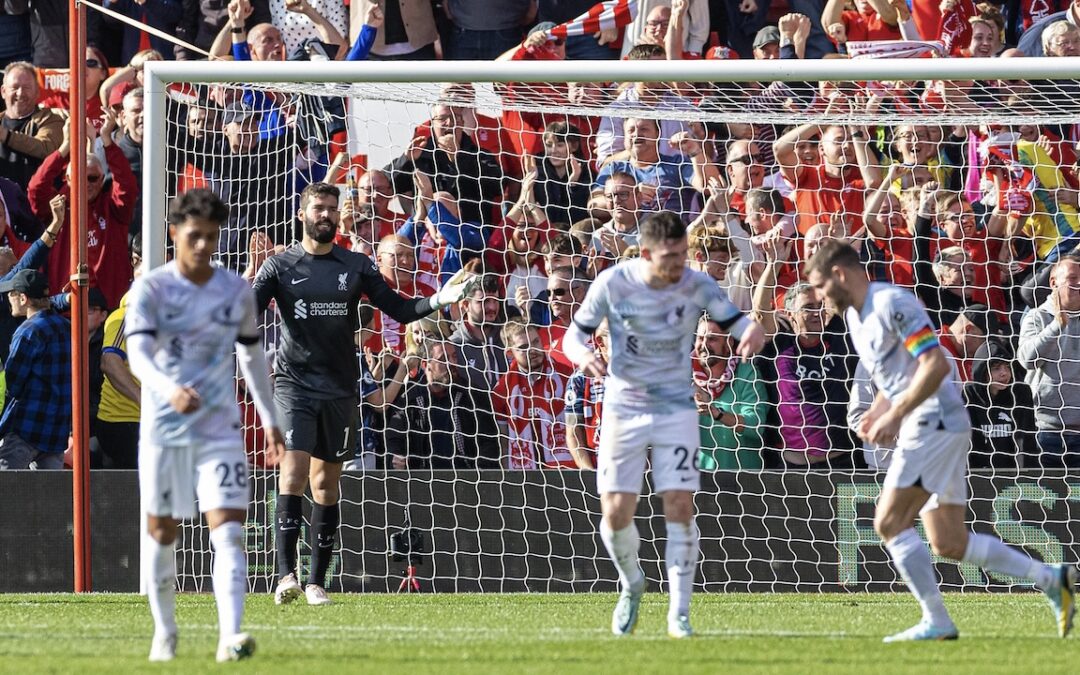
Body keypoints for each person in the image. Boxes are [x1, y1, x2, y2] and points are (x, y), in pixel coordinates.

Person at [805, 239, 1077, 642]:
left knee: (889, 521)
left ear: (840, 275)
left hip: (932, 422)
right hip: (936, 426)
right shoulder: (855, 318)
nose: (821, 298)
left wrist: (896, 415)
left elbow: (934, 364)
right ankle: (1051, 578)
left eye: (820, 287)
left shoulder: (891, 304)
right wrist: (880, 410)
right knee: (947, 541)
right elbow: (895, 374)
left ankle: (937, 620)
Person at [252, 182, 477, 606]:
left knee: (325, 485)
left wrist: (440, 299)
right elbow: (244, 312)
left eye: (332, 209)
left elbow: (399, 309)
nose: (326, 215)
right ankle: (285, 576)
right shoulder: (280, 266)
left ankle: (316, 582)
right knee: (294, 473)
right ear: (303, 213)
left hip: (341, 388)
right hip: (294, 384)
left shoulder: (356, 265)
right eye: (318, 208)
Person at [563, 210, 766, 638]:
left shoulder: (697, 284)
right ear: (646, 253)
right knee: (615, 513)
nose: (677, 265)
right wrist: (585, 356)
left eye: (682, 255)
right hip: (624, 407)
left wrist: (751, 332)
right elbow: (573, 337)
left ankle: (679, 613)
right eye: (669, 258)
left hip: (676, 406)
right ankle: (632, 581)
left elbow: (737, 320)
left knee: (679, 504)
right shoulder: (613, 283)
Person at [125, 189, 285, 662]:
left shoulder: (235, 289)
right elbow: (136, 354)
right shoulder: (152, 289)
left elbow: (252, 356)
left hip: (220, 429)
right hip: (165, 430)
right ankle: (165, 631)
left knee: (229, 531)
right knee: (162, 532)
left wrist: (270, 417)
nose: (203, 246)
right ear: (174, 233)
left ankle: (230, 637)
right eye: (194, 236)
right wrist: (166, 387)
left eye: (211, 238)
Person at [0, 269, 70, 470]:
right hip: (57, 429)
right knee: (49, 495)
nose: (8, 298)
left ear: (23, 298)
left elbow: (14, 384)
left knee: (7, 490)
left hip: (27, 427)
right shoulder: (66, 327)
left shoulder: (27, 331)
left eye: (11, 294)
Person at [1017, 251, 1080, 469]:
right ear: (1054, 282)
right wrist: (1057, 325)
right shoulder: (1036, 316)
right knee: (1046, 502)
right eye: (1072, 279)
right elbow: (1026, 359)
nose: (1079, 283)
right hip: (1045, 433)